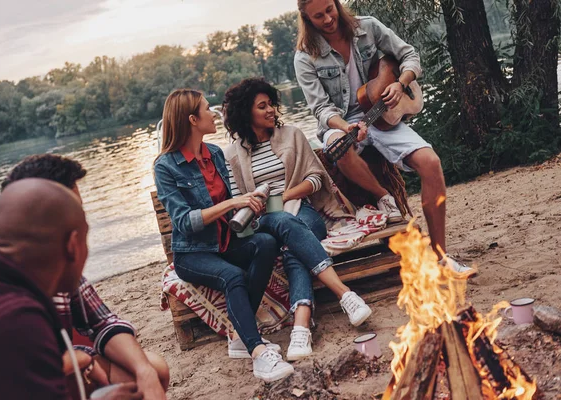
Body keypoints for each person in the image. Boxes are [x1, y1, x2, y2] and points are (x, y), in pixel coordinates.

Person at [0, 154, 169, 398]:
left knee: (153, 370)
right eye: (79, 220)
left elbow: (101, 321)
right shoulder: (13, 319)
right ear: (71, 243)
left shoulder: (15, 262)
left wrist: (139, 370)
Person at [293, 0, 475, 274]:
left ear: (336, 4)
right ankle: (383, 197)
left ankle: (441, 256)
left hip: (384, 115)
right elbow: (320, 108)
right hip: (342, 122)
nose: (328, 19)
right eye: (318, 16)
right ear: (306, 19)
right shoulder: (305, 56)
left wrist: (400, 84)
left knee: (431, 163)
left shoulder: (367, 27)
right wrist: (345, 126)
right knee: (336, 146)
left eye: (330, 9)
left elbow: (410, 56)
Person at [222, 77, 373, 361]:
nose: (271, 110)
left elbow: (316, 178)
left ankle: (300, 329)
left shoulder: (291, 135)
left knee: (293, 245)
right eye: (262, 106)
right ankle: (344, 295)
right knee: (283, 228)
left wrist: (283, 197)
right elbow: (237, 202)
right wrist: (266, 206)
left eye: (271, 104)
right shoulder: (231, 155)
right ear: (246, 113)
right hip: (262, 221)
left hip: (301, 209)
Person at [153, 88, 294, 382]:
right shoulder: (165, 166)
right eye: (207, 109)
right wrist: (233, 202)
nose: (214, 113)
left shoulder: (215, 154)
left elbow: (232, 205)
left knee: (266, 243)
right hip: (193, 254)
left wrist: (251, 203)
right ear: (192, 119)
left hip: (226, 242)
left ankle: (239, 337)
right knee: (232, 276)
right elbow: (184, 222)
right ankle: (257, 352)